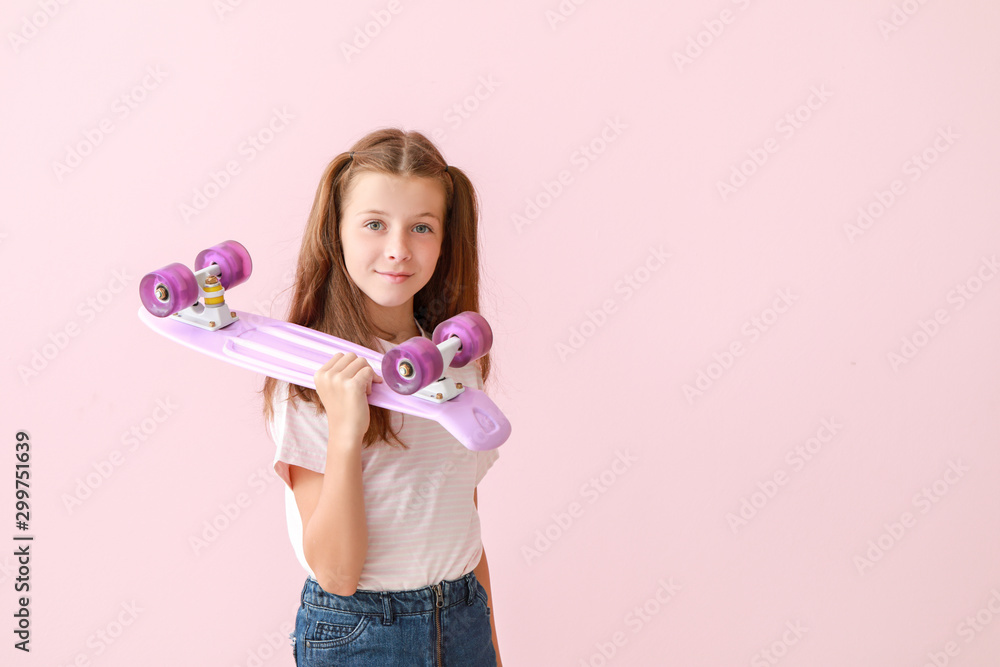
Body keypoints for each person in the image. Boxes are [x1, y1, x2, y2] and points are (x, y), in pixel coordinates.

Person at [261, 128, 503, 666]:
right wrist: (345, 431)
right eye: (374, 224)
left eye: (421, 227)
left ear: (444, 241)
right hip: (364, 632)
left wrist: (490, 647)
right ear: (336, 233)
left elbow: (462, 524)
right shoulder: (309, 377)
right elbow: (338, 575)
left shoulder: (452, 362)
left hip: (463, 616)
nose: (398, 249)